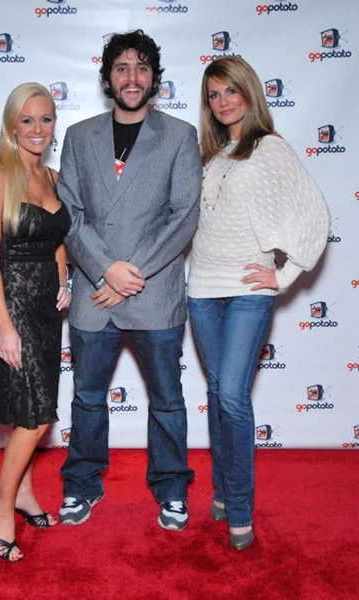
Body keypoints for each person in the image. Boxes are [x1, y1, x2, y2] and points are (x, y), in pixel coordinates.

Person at [56, 30, 202, 531]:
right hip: (95, 294)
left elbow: (183, 216)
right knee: (87, 399)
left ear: (154, 78)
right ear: (107, 78)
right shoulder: (79, 136)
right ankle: (81, 483)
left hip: (154, 294)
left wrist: (128, 274)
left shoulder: (180, 135)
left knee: (167, 400)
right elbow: (69, 215)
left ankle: (171, 488)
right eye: (122, 67)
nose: (132, 77)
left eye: (141, 68)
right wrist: (105, 269)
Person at [187, 56, 330, 550]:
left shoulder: (270, 148)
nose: (223, 102)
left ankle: (240, 510)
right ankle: (224, 492)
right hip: (202, 287)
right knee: (217, 394)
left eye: (231, 91)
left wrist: (284, 273)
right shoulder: (213, 155)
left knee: (231, 394)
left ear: (249, 92)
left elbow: (314, 213)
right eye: (213, 95)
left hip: (249, 288)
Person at [0, 82, 71, 561]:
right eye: (28, 119)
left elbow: (57, 237)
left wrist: (64, 279)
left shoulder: (52, 177)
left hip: (47, 311)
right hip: (13, 305)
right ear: (13, 124)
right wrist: (4, 325)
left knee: (37, 411)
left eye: (46, 118)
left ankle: (26, 494)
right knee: (34, 418)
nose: (38, 128)